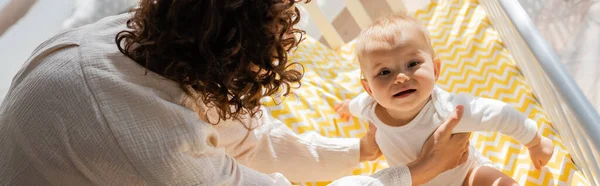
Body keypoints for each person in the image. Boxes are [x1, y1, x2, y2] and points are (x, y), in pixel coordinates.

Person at [1, 0, 470, 185]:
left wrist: (360, 150)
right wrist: (421, 169)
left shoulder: (145, 39)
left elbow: (251, 138)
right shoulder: (153, 141)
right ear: (229, 52)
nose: (288, 42)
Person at [334, 13, 555, 186]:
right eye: (384, 72)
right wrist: (346, 107)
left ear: (436, 69)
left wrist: (534, 142)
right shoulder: (368, 106)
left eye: (412, 64)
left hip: (467, 175)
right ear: (369, 89)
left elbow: (500, 114)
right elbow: (355, 104)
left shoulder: (449, 110)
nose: (400, 78)